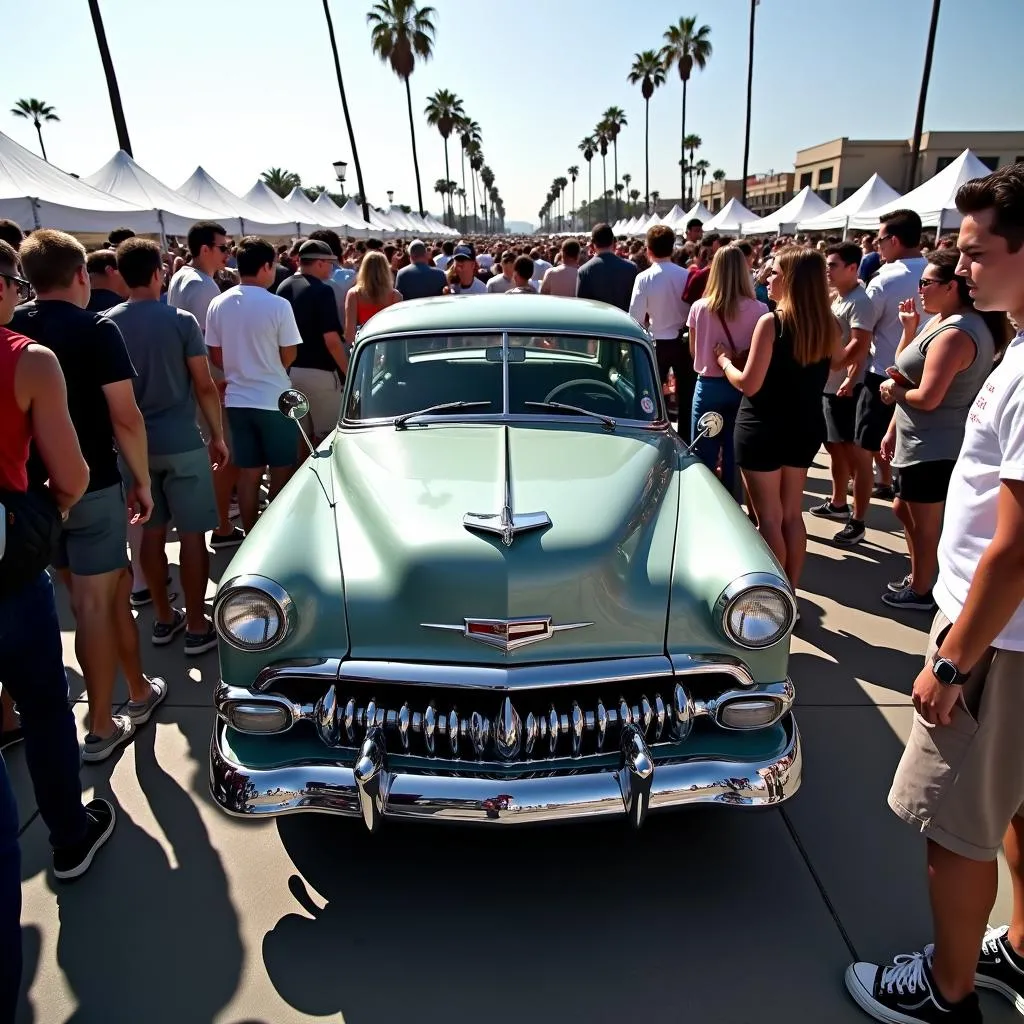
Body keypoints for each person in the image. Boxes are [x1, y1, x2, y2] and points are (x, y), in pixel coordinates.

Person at [844, 162, 1024, 1024]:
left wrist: (953, 663)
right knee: (1014, 803)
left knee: (954, 830)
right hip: (1007, 634)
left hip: (996, 639)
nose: (961, 266)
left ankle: (948, 992)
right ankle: (1021, 948)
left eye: (977, 252)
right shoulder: (1012, 346)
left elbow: (1015, 549)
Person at [0, 240, 114, 1022]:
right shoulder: (26, 360)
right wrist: (51, 517)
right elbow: (69, 475)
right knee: (45, 700)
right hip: (4, 569)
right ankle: (69, 835)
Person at [11, 229, 166, 764]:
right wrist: (142, 480)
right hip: (94, 485)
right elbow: (125, 415)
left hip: (34, 494)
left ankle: (139, 688)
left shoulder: (14, 328)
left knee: (106, 592)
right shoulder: (96, 329)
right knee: (97, 604)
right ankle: (101, 725)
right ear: (82, 274)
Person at [106, 238, 224, 655]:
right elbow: (204, 385)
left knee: (152, 534)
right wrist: (218, 436)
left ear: (120, 274)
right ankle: (196, 623)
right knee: (193, 536)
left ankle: (162, 616)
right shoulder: (181, 321)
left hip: (133, 449)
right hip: (182, 442)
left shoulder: (107, 323)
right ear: (159, 273)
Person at [876, 248, 1000, 612]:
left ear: (951, 287)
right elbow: (904, 366)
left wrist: (892, 392)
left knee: (925, 521)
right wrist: (909, 330)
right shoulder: (942, 321)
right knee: (904, 508)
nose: (920, 289)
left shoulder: (957, 332)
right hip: (919, 440)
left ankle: (923, 590)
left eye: (926, 282)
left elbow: (926, 396)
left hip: (935, 445)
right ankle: (922, 577)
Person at [717, 247, 841, 593]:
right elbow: (837, 364)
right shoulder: (827, 324)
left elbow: (749, 384)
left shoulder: (772, 323)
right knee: (791, 515)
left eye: (773, 273)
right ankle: (793, 594)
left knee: (768, 519)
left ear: (790, 280)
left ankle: (775, 599)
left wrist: (726, 362)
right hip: (804, 426)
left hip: (763, 426)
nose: (766, 279)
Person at [205, 237, 302, 535]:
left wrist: (240, 368)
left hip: (237, 400)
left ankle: (251, 534)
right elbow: (289, 352)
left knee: (248, 474)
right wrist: (270, 367)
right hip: (274, 399)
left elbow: (215, 353)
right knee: (281, 472)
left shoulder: (218, 303)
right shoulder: (278, 304)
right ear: (266, 266)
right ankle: (274, 535)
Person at [167, 221, 243, 550]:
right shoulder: (203, 287)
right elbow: (208, 345)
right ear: (205, 250)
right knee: (224, 456)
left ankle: (218, 520)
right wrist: (218, 384)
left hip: (190, 384)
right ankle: (222, 525)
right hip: (206, 384)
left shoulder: (182, 277)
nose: (228, 253)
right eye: (224, 247)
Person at [856, 209, 929, 501]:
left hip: (882, 374)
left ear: (895, 240)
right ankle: (889, 481)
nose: (877, 246)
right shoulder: (934, 270)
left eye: (880, 239)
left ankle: (862, 508)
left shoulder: (884, 280)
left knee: (866, 444)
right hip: (924, 374)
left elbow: (861, 328)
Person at [687, 244, 767, 492]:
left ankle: (703, 503)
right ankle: (733, 507)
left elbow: (694, 351)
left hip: (708, 386)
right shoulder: (759, 309)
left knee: (702, 455)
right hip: (742, 388)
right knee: (736, 457)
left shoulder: (699, 308)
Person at [811, 242, 876, 546]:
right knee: (835, 447)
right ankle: (838, 503)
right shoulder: (840, 297)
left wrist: (843, 373)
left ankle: (857, 520)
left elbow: (860, 347)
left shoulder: (859, 302)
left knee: (854, 455)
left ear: (852, 267)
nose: (828, 270)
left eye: (833, 265)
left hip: (846, 389)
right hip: (831, 386)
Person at [277, 239, 347, 447]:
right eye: (330, 263)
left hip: (290, 372)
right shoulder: (323, 290)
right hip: (321, 374)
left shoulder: (283, 286)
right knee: (330, 440)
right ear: (319, 263)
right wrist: (349, 371)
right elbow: (332, 341)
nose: (332, 267)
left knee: (302, 440)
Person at [628, 225, 692, 439]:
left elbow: (635, 318)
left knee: (653, 396)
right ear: (672, 248)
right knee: (686, 397)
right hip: (683, 342)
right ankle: (685, 438)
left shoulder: (644, 278)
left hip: (657, 343)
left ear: (648, 249)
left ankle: (657, 436)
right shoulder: (685, 275)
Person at [344, 251, 403, 345]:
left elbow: (349, 334)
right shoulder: (395, 296)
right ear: (386, 270)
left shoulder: (354, 294)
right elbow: (398, 330)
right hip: (387, 345)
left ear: (364, 269)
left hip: (365, 346)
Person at [576, 223, 638, 311]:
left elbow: (581, 306)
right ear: (614, 242)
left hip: (597, 323)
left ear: (592, 245)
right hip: (624, 323)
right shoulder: (631, 268)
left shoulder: (583, 271)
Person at [683, 233, 726, 305]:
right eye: (704, 254)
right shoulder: (695, 275)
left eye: (711, 254)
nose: (707, 258)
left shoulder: (698, 276)